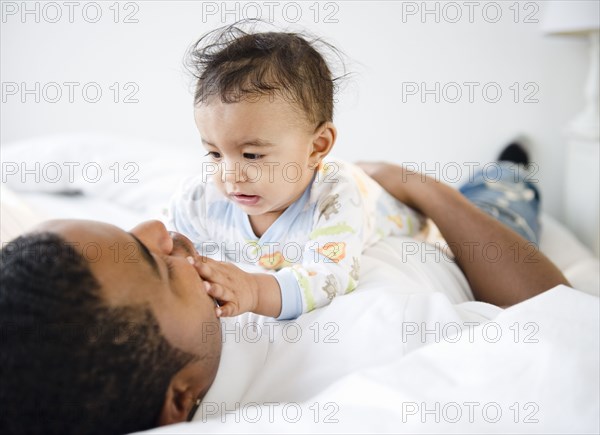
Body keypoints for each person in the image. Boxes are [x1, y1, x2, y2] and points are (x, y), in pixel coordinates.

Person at [0, 150, 569, 433]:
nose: (159, 230)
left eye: (130, 232)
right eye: (159, 265)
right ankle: (507, 169)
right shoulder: (375, 349)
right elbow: (559, 313)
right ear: (180, 398)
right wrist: (420, 188)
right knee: (504, 188)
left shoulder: (191, 333)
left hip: (369, 212)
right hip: (450, 242)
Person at [169, 23, 424, 321]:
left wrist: (254, 290)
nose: (229, 175)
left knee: (485, 195)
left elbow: (331, 276)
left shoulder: (334, 198)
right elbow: (177, 252)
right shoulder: (199, 200)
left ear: (317, 146)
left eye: (252, 155)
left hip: (414, 216)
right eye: (214, 153)